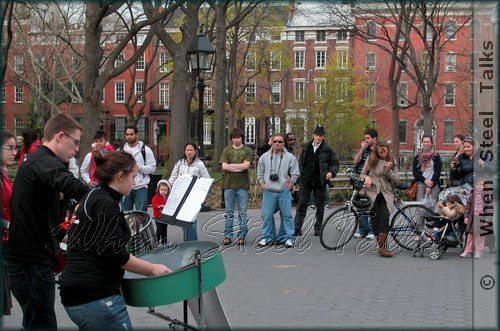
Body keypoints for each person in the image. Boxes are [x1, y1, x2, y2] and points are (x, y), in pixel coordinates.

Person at [60, 150, 171, 329]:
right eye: (133, 176)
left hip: (80, 292)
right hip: (94, 296)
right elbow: (114, 253)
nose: (134, 182)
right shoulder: (105, 203)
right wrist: (152, 269)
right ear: (120, 176)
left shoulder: (94, 195)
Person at [5, 114, 89, 329]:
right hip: (30, 262)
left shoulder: (43, 164)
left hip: (31, 260)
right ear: (60, 136)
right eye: (75, 142)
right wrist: (102, 196)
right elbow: (73, 186)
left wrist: (65, 235)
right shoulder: (43, 160)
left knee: (37, 322)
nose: (77, 149)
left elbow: (47, 216)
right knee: (42, 324)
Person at [294, 126, 340, 236]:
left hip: (320, 181)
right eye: (317, 135)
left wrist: (331, 172)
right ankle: (297, 227)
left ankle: (318, 228)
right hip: (306, 180)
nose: (318, 137)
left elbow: (335, 163)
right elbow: (301, 162)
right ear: (313, 135)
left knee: (320, 206)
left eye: (321, 135)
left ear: (323, 136)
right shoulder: (306, 147)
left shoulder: (327, 149)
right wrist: (301, 174)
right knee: (302, 204)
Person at [257, 133, 300, 248]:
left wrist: (290, 184)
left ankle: (289, 238)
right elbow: (260, 172)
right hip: (269, 191)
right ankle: (266, 237)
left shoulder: (290, 157)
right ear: (272, 142)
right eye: (275, 141)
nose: (277, 143)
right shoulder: (264, 156)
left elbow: (295, 172)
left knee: (287, 216)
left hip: (283, 191)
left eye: (280, 141)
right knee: (266, 215)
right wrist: (262, 183)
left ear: (284, 143)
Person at [360, 140, 400, 257]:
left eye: (385, 152)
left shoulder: (392, 161)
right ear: (377, 151)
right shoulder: (371, 159)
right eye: (380, 152)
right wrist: (366, 178)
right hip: (372, 192)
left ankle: (383, 248)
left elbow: (397, 181)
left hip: (385, 192)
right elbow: (362, 174)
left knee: (385, 216)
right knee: (374, 219)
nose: (383, 154)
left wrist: (389, 171)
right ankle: (381, 246)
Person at [168, 142, 210, 241]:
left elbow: (207, 179)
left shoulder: (199, 164)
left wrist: (201, 192)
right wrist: (168, 190)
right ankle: (186, 243)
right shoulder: (179, 163)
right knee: (183, 220)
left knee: (191, 221)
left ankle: (193, 245)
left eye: (191, 150)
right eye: (187, 150)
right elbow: (172, 178)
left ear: (195, 151)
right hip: (181, 196)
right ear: (184, 151)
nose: (189, 152)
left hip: (194, 197)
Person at [220, 128, 253, 246]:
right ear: (231, 139)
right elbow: (224, 167)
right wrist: (239, 166)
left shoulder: (247, 150)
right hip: (229, 185)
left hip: (242, 185)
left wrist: (232, 166)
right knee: (228, 212)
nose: (236, 140)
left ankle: (242, 235)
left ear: (242, 138)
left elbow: (246, 166)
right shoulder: (226, 151)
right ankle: (228, 235)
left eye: (238, 137)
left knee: (242, 212)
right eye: (234, 138)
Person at [121, 125, 156, 212]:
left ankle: (142, 226)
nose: (129, 136)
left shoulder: (145, 150)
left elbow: (152, 168)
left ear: (136, 135)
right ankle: (128, 226)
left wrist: (138, 168)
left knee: (141, 215)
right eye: (127, 134)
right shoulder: (121, 151)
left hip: (141, 186)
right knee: (126, 214)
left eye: (131, 134)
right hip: (125, 186)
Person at [352, 128, 378, 240]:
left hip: (373, 180)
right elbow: (356, 161)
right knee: (361, 205)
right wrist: (361, 150)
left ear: (374, 138)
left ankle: (372, 230)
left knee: (372, 206)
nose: (366, 140)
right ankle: (362, 230)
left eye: (368, 138)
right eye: (365, 138)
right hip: (361, 179)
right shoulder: (365, 149)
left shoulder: (379, 150)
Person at [1, 131, 17, 316]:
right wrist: (8, 225)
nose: (14, 152)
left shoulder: (4, 175)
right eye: (10, 148)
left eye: (16, 148)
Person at [412, 134, 442, 202]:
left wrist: (430, 184)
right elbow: (415, 172)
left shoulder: (436, 156)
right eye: (424, 142)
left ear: (431, 143)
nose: (426, 143)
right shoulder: (417, 157)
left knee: (431, 207)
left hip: (433, 183)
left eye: (428, 142)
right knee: (420, 207)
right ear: (422, 143)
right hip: (421, 183)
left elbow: (438, 171)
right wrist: (425, 180)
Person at [461, 181, 486, 259]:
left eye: (481, 184)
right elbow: (467, 208)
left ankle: (479, 251)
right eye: (477, 184)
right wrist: (466, 217)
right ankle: (467, 250)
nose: (479, 186)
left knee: (480, 236)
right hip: (472, 219)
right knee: (470, 236)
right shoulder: (472, 196)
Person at [151, 179, 171, 243]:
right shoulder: (156, 196)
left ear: (167, 191)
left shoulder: (167, 197)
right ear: (158, 190)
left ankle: (164, 241)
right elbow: (153, 204)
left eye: (165, 190)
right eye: (161, 190)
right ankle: (156, 241)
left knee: (164, 229)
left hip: (165, 216)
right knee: (159, 229)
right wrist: (159, 206)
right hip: (158, 216)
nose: (163, 191)